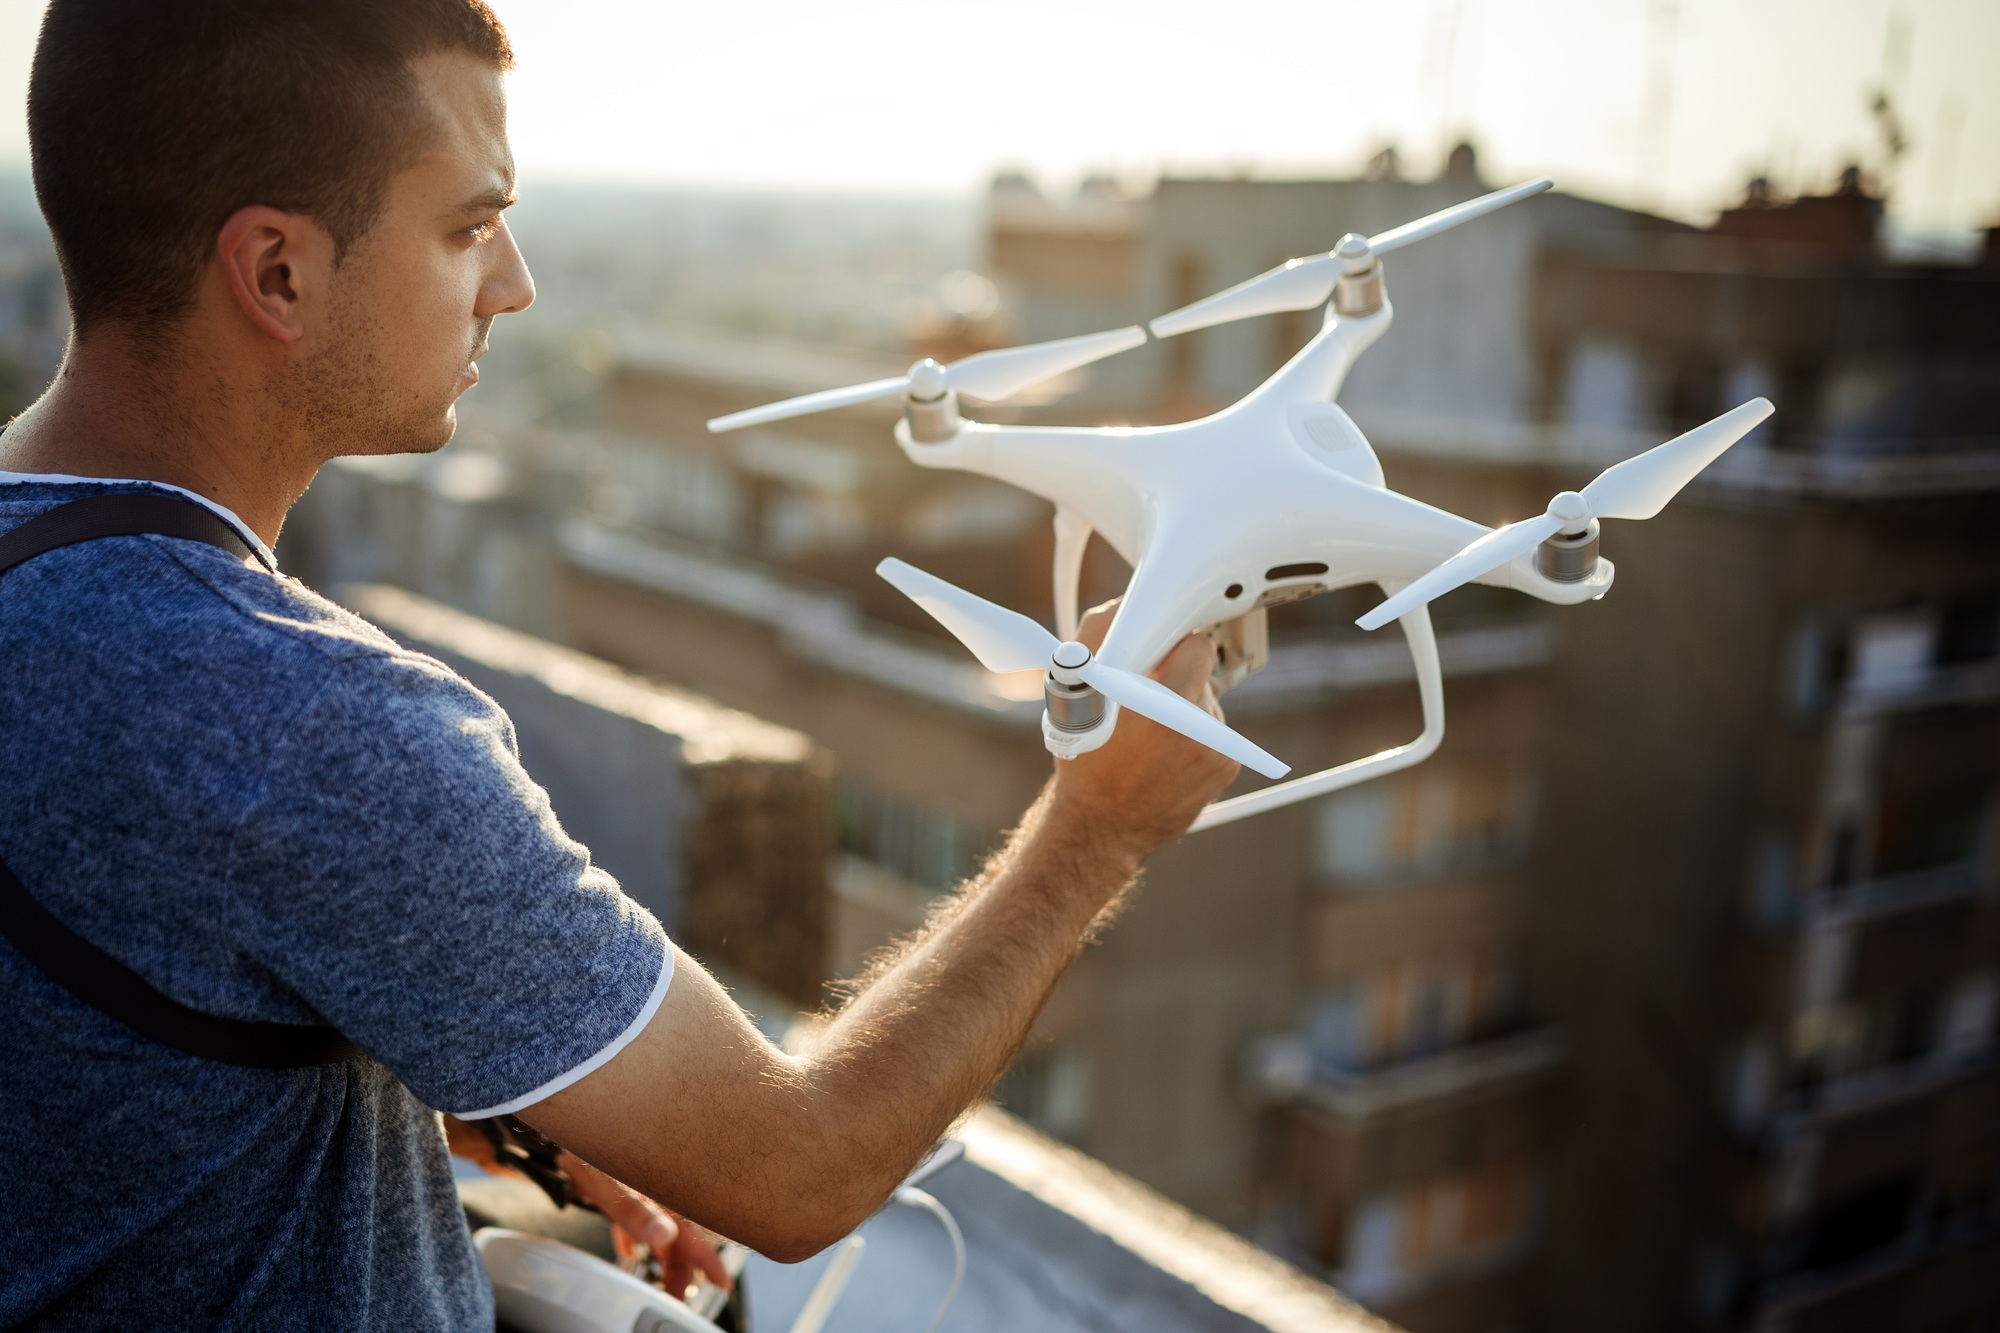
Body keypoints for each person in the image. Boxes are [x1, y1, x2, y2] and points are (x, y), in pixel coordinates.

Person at [0, 2, 1241, 1328]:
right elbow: (798, 1163)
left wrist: (470, 1088)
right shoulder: (302, 724)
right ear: (280, 274)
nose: (514, 281)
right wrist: (1095, 830)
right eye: (468, 226)